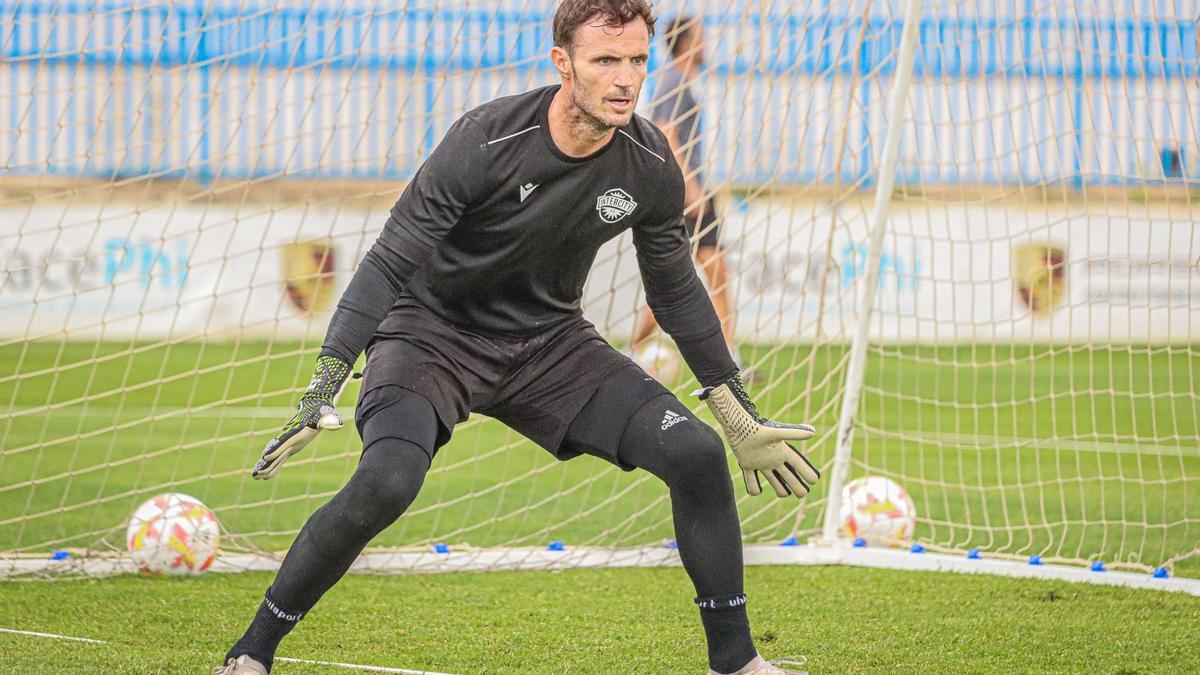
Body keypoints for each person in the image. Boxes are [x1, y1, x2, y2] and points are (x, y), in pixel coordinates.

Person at [215, 2, 818, 674]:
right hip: (431, 336)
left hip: (549, 345)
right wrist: (326, 378)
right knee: (387, 479)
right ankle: (251, 652)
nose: (625, 78)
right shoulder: (485, 139)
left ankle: (735, 660)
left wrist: (733, 407)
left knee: (699, 454)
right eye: (604, 60)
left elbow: (675, 288)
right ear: (563, 63)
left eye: (637, 60)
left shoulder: (649, 162)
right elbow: (388, 261)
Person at [630, 15, 738, 368]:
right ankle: (633, 350)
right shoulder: (673, 81)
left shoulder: (686, 81)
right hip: (686, 194)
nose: (706, 43)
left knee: (716, 273)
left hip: (695, 190)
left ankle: (731, 358)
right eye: (701, 36)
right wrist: (692, 190)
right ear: (687, 41)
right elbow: (665, 133)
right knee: (675, 286)